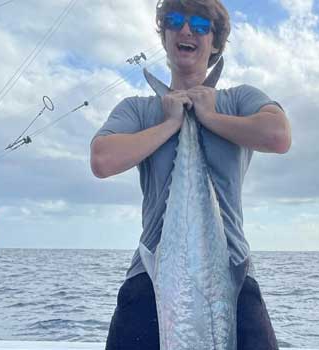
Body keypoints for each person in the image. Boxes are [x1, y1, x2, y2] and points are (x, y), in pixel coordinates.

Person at [90, 0, 291, 349]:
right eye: (175, 21)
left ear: (214, 42)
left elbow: (279, 136)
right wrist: (171, 123)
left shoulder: (238, 99)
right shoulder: (138, 109)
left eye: (200, 25)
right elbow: (102, 160)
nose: (186, 30)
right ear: (165, 35)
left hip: (231, 274)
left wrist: (209, 116)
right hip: (150, 273)